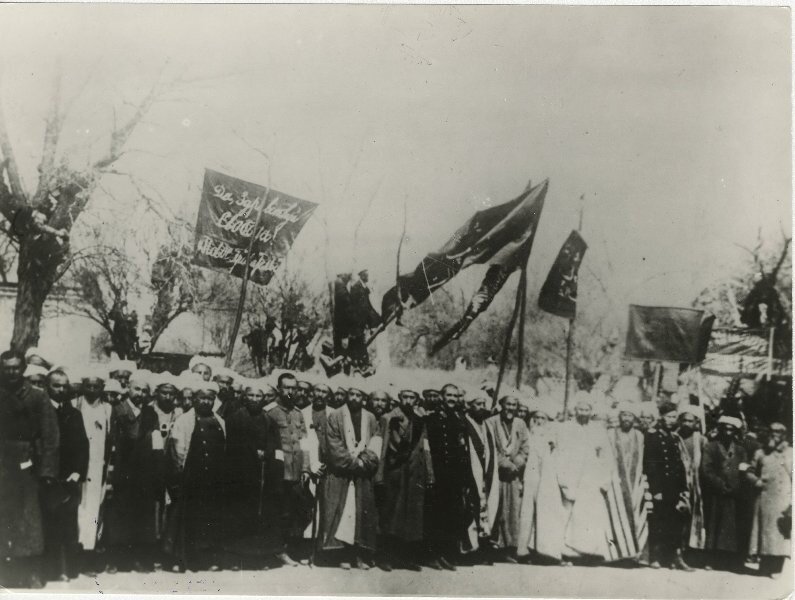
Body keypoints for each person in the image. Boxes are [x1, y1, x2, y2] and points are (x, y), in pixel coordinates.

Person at [0, 350, 60, 588]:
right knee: (4, 518)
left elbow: (50, 435)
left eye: (16, 368)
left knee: (30, 520)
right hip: (2, 466)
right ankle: (6, 572)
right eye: (7, 368)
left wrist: (47, 471)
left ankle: (33, 572)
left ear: (23, 369)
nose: (12, 372)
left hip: (29, 467)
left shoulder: (37, 397)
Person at [163, 381, 226, 572]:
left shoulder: (220, 421)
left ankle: (205, 559)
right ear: (195, 399)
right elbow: (177, 450)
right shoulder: (184, 420)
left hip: (212, 478)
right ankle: (181, 560)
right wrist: (179, 476)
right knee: (185, 519)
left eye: (210, 399)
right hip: (190, 476)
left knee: (208, 518)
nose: (206, 402)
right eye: (202, 398)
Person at [319, 380, 381, 569]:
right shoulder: (335, 416)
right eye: (352, 394)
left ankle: (358, 555)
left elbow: (375, 444)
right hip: (341, 474)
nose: (355, 398)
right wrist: (355, 463)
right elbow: (334, 446)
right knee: (341, 513)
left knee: (361, 515)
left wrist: (365, 462)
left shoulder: (370, 418)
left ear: (364, 398)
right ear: (347, 395)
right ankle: (341, 555)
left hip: (362, 476)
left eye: (359, 395)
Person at [223, 381, 286, 569]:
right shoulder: (234, 418)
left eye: (258, 396)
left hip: (262, 475)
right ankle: (237, 558)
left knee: (261, 516)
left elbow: (275, 445)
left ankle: (259, 558)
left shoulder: (268, 420)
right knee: (240, 515)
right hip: (240, 475)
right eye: (251, 395)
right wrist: (252, 452)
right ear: (244, 397)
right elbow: (232, 444)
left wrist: (266, 453)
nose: (254, 399)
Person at [375, 382, 434, 572]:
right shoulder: (389, 418)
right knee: (391, 515)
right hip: (395, 473)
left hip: (414, 474)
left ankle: (405, 558)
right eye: (405, 397)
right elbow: (383, 448)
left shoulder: (419, 420)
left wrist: (430, 473)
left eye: (412, 397)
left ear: (417, 400)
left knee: (410, 517)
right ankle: (385, 557)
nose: (408, 401)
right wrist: (379, 475)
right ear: (399, 398)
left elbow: (425, 447)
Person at [104, 370, 156, 573]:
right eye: (137, 389)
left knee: (141, 516)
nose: (140, 393)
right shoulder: (117, 410)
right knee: (118, 515)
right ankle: (115, 559)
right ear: (128, 389)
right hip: (122, 470)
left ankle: (138, 558)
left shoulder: (150, 413)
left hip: (143, 472)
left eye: (144, 390)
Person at [555, 394, 613, 563]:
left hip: (591, 479)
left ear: (591, 411)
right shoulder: (565, 428)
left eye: (587, 409)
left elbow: (606, 456)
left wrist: (604, 479)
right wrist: (564, 481)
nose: (584, 412)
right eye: (580, 409)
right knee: (568, 514)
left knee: (590, 516)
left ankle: (590, 553)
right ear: (575, 410)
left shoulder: (598, 429)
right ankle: (568, 552)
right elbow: (561, 454)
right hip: (571, 477)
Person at [44, 369, 89, 582]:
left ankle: (68, 568)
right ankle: (49, 570)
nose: (61, 389)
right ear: (47, 387)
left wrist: (77, 472)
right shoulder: (41, 411)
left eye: (64, 385)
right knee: (48, 524)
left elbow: (82, 446)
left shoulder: (74, 414)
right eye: (56, 385)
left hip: (69, 479)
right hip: (47, 478)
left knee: (69, 525)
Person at [425, 383, 474, 570]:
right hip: (438, 473)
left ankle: (447, 554)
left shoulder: (459, 418)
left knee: (451, 515)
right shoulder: (433, 418)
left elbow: (462, 449)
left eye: (455, 396)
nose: (452, 399)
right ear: (442, 397)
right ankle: (433, 555)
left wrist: (464, 477)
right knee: (435, 516)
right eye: (449, 395)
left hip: (454, 475)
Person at [265, 372, 310, 566]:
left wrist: (306, 468)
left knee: (297, 511)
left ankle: (290, 547)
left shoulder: (298, 413)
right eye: (286, 387)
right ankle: (277, 550)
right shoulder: (270, 412)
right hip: (279, 472)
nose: (290, 391)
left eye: (294, 388)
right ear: (279, 388)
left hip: (297, 471)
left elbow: (305, 442)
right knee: (277, 512)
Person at [73, 369, 114, 574]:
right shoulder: (75, 404)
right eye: (88, 385)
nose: (91, 389)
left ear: (102, 388)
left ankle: (90, 555)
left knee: (94, 511)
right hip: (78, 468)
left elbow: (110, 440)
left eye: (95, 386)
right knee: (78, 508)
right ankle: (75, 555)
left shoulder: (107, 409)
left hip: (98, 468)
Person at [643, 401, 692, 570]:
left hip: (673, 488)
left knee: (675, 523)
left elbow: (679, 465)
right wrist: (655, 490)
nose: (672, 420)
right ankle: (655, 557)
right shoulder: (653, 436)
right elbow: (650, 465)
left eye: (674, 417)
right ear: (661, 417)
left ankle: (674, 558)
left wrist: (683, 489)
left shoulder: (674, 437)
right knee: (658, 522)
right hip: (660, 488)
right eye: (669, 417)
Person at [517, 401, 565, 564]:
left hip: (547, 480)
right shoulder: (528, 435)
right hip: (530, 478)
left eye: (542, 418)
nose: (539, 421)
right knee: (527, 513)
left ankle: (544, 550)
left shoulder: (551, 437)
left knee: (545, 513)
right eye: (536, 417)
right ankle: (524, 551)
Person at [701, 415, 749, 571]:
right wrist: (720, 484)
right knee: (714, 524)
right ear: (720, 430)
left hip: (734, 495)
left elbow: (744, 470)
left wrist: (737, 487)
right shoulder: (711, 446)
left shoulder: (740, 450)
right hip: (716, 493)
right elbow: (706, 470)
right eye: (725, 429)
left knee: (729, 527)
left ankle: (727, 560)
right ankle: (709, 559)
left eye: (731, 430)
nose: (728, 432)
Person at [487, 395, 530, 562]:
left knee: (512, 510)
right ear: (501, 405)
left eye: (514, 405)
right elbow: (489, 446)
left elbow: (526, 447)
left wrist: (517, 463)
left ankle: (509, 548)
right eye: (507, 404)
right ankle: (493, 547)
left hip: (514, 476)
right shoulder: (491, 422)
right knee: (496, 509)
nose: (510, 408)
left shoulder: (520, 424)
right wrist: (504, 463)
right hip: (497, 474)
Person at [607, 401, 650, 565]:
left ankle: (634, 554)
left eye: (629, 415)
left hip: (634, 483)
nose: (626, 418)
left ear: (634, 418)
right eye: (623, 415)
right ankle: (616, 554)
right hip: (615, 482)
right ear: (619, 416)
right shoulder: (610, 434)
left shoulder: (640, 436)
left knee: (635, 517)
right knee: (615, 516)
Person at [746, 422, 792, 578]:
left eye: (778, 432)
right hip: (765, 498)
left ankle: (777, 568)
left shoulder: (791, 453)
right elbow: (749, 471)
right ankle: (764, 566)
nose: (774, 434)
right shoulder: (760, 453)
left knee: (779, 533)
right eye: (771, 431)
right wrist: (755, 481)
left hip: (782, 499)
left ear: (784, 434)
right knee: (764, 532)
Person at [676, 404, 707, 557]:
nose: (686, 424)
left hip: (696, 486)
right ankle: (676, 552)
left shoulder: (701, 440)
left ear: (696, 423)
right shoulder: (674, 437)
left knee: (693, 519)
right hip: (677, 484)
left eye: (690, 421)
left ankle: (689, 553)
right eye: (684, 420)